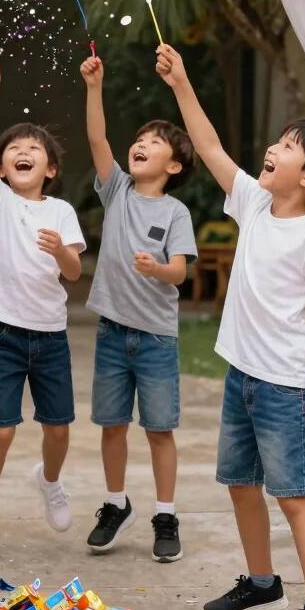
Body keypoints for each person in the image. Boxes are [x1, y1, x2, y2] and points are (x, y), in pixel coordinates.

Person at [157, 43, 305, 610]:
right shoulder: (254, 204)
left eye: (289, 146)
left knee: (293, 495)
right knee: (240, 484)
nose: (274, 148)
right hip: (241, 375)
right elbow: (212, 148)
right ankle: (263, 584)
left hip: (286, 385)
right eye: (279, 140)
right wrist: (183, 84)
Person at [80, 55, 198, 562]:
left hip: (154, 338)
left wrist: (159, 270)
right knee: (111, 424)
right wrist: (95, 87)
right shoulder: (117, 191)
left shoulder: (176, 211)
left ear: (173, 166)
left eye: (154, 142)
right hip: (112, 332)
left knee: (159, 430)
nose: (140, 144)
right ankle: (115, 503)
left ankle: (166, 514)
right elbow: (97, 141)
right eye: (140, 139)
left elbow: (181, 271)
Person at [0, 61, 86, 552]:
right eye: (13, 149)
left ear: (50, 168)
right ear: (0, 168)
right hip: (2, 334)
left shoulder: (61, 211)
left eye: (33, 149)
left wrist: (59, 250)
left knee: (58, 430)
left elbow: (74, 271)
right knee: (0, 431)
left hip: (50, 335)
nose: (22, 151)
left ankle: (50, 482)